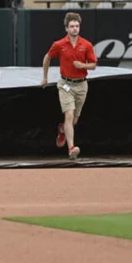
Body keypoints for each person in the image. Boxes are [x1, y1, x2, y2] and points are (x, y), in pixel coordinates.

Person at [40, 12, 98, 160]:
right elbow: (47, 57)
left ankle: (62, 130)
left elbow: (93, 65)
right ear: (66, 28)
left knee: (74, 120)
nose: (74, 29)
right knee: (69, 114)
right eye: (72, 26)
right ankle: (71, 148)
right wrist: (44, 77)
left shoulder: (86, 45)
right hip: (65, 84)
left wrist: (82, 65)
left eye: (77, 26)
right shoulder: (59, 45)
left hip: (81, 85)